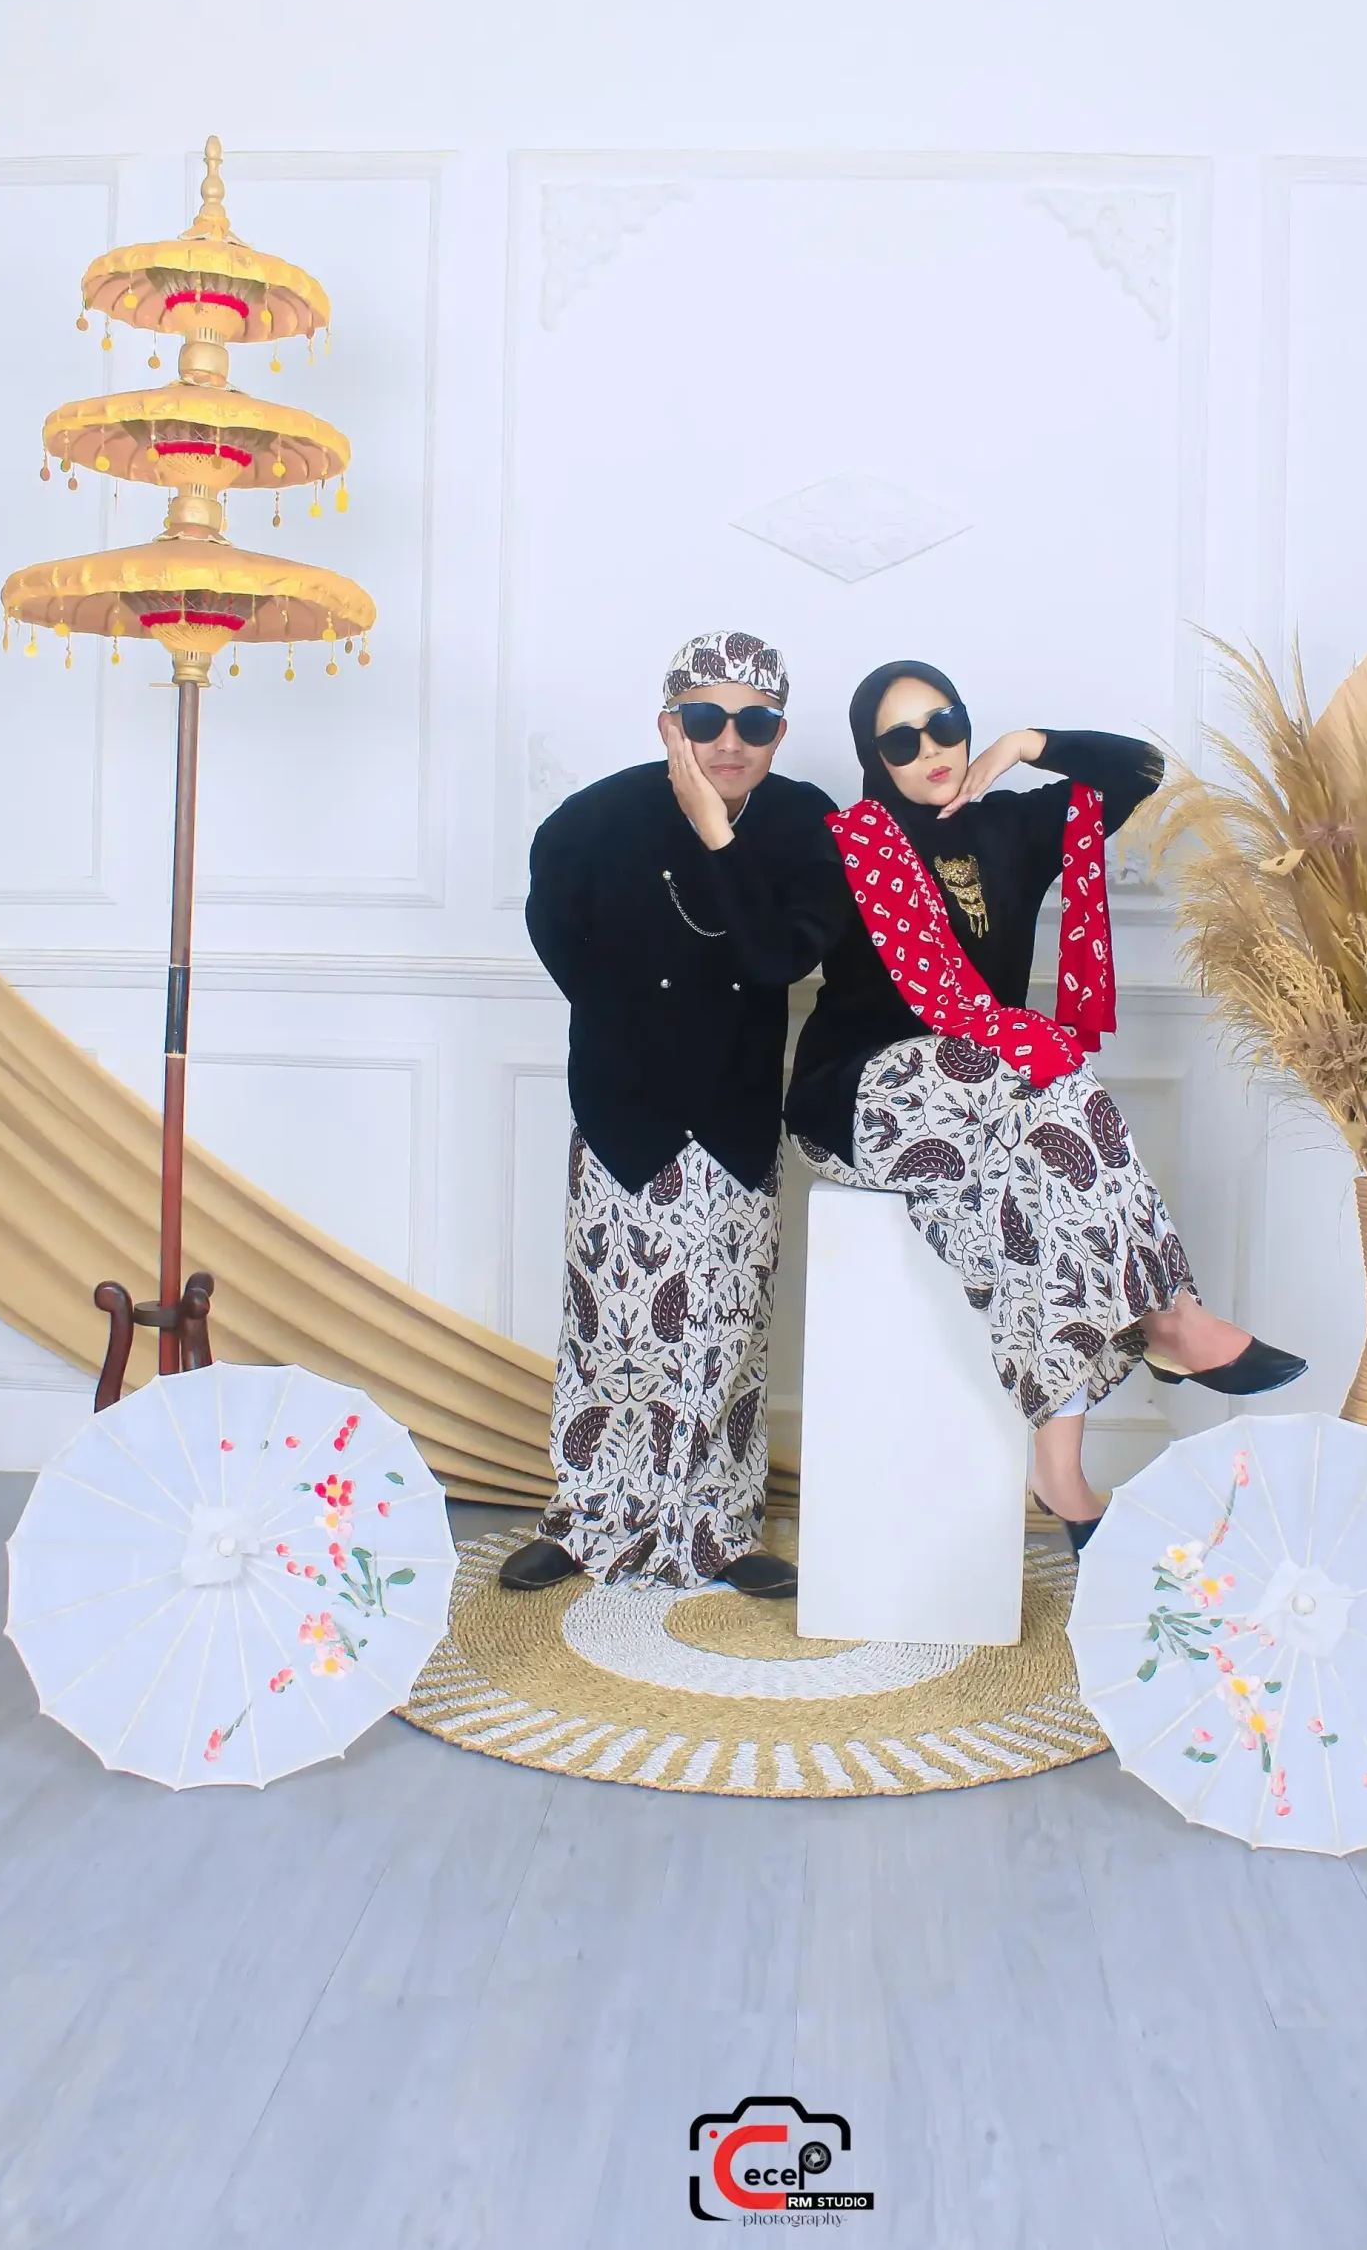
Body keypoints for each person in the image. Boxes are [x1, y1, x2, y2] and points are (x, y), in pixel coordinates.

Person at [786, 660, 1306, 1549]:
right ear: (873, 757)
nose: (930, 749)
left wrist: (1025, 745)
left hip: (996, 1094)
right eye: (901, 740)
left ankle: (1059, 1468)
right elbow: (774, 948)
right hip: (860, 1102)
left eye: (944, 724)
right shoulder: (849, 844)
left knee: (1042, 1197)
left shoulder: (1016, 826)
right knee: (1044, 1068)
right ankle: (1169, 1314)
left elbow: (1140, 770)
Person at [504, 631, 845, 1597]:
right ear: (669, 723)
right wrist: (626, 1028)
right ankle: (586, 1516)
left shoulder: (806, 823)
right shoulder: (591, 819)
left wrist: (714, 831)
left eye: (755, 723)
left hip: (732, 1110)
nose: (729, 740)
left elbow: (780, 957)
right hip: (623, 1103)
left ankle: (720, 1528)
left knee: (726, 1331)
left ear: (779, 733)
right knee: (605, 1324)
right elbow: (559, 939)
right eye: (705, 718)